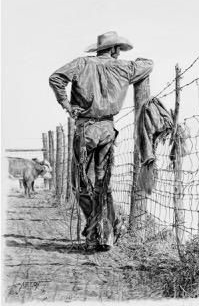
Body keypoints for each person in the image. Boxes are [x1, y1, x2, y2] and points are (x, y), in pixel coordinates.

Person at [49, 31, 153, 251]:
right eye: (119, 49)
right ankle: (105, 231)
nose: (119, 53)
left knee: (79, 183)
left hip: (86, 129)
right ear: (114, 49)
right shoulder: (125, 67)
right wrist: (129, 61)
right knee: (102, 184)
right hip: (107, 129)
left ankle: (95, 226)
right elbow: (148, 64)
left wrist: (67, 105)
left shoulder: (82, 63)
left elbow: (56, 78)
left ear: (99, 49)